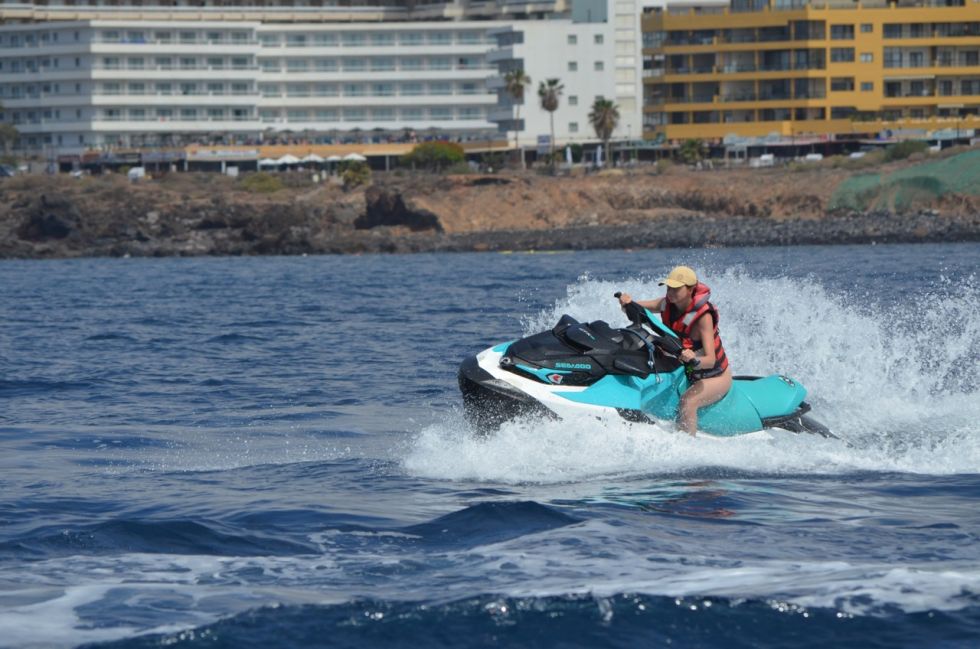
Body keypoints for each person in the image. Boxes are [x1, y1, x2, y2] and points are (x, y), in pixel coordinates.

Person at [617, 266, 732, 436]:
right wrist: (627, 303)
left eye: (676, 289)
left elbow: (710, 360)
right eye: (668, 287)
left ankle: (687, 446)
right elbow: (639, 307)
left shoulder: (702, 317)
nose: (670, 292)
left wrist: (694, 358)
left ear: (691, 289)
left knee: (688, 401)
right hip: (688, 371)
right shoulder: (667, 304)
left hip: (715, 376)